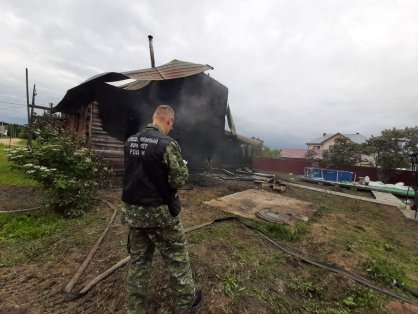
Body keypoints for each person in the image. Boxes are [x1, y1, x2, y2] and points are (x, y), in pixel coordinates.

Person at [121, 104, 202, 314]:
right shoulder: (167, 144)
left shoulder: (130, 142)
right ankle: (185, 304)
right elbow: (178, 180)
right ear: (169, 121)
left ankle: (134, 309)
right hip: (160, 214)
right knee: (177, 258)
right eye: (171, 125)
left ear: (153, 118)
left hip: (133, 213)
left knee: (138, 262)